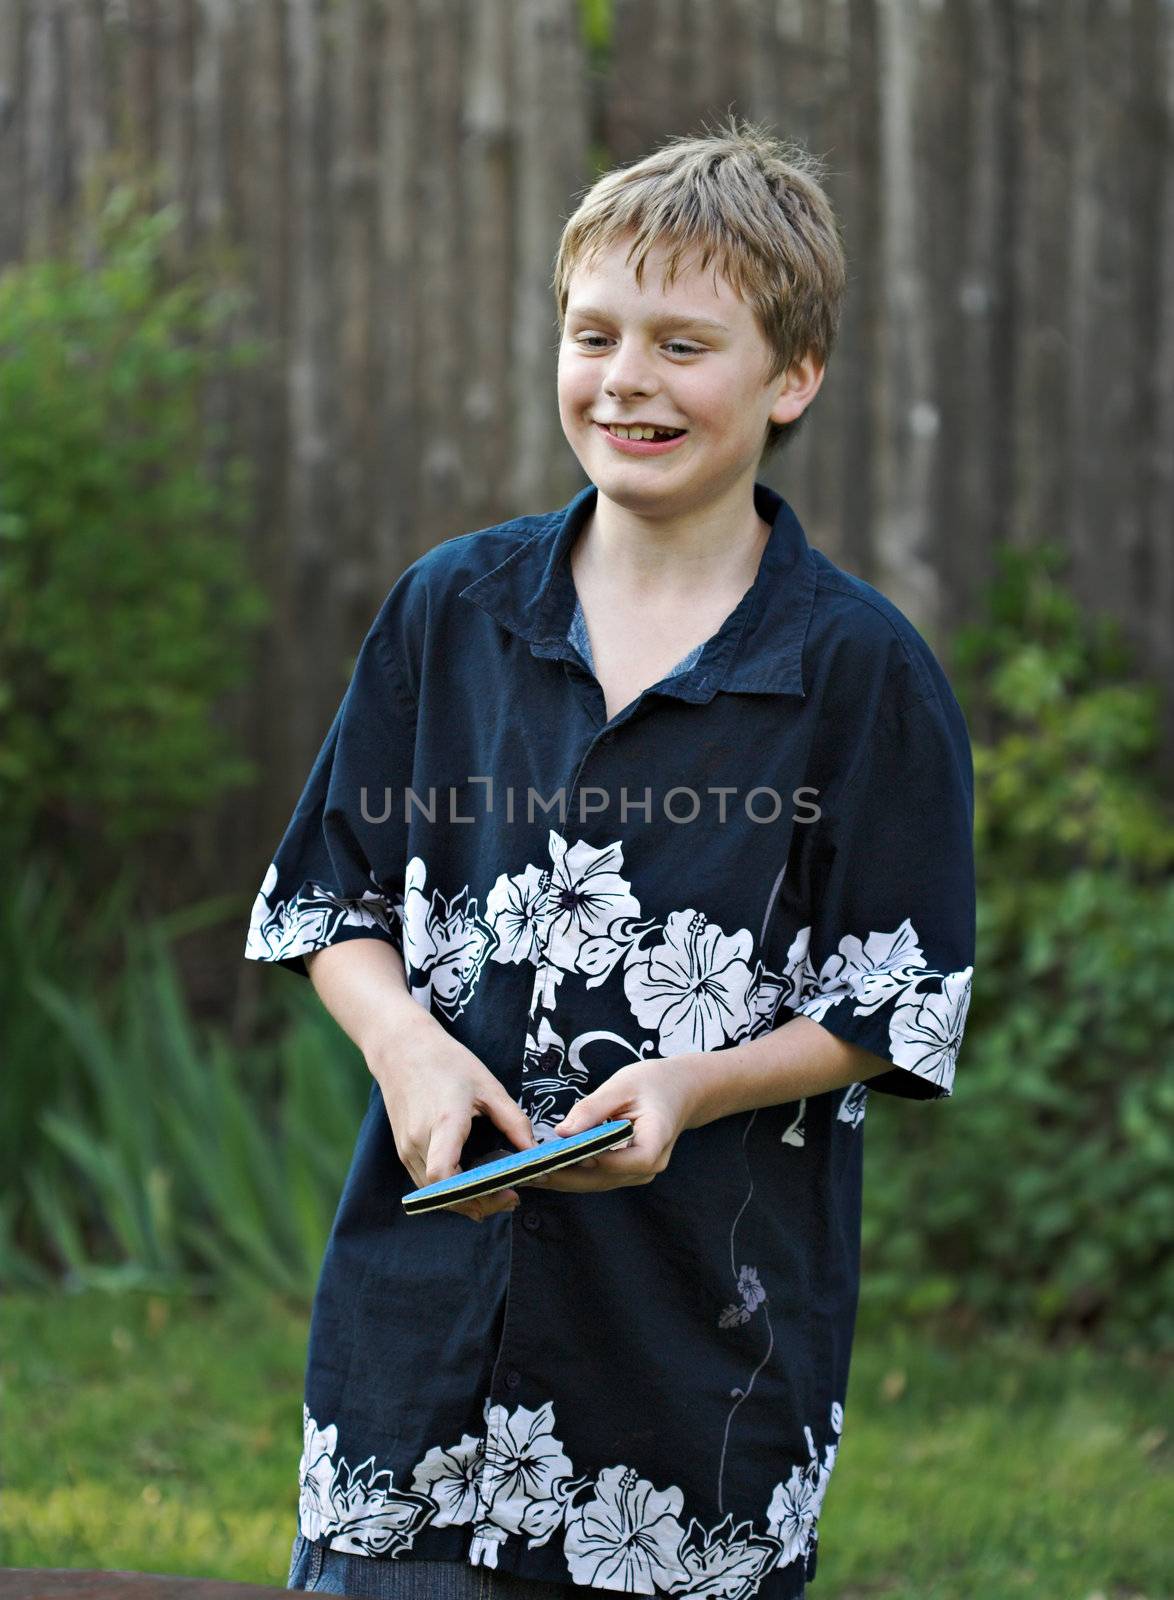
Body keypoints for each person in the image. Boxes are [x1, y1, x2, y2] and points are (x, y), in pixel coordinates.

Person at [247, 114, 976, 1600]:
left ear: (791, 378)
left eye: (682, 345)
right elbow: (328, 893)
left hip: (695, 1352)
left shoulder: (854, 672)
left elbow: (896, 997)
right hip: (415, 1339)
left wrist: (697, 1085)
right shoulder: (451, 610)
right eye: (594, 334)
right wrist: (404, 1051)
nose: (626, 377)